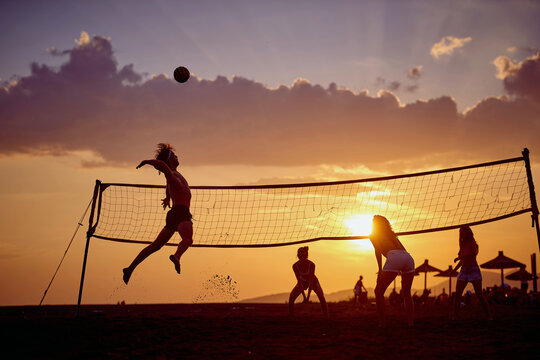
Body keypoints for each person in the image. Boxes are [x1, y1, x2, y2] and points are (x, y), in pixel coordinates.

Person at [122, 143, 193, 284]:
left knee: (155, 246)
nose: (177, 157)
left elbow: (168, 182)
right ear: (169, 161)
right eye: (174, 156)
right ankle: (177, 256)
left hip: (174, 214)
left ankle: (129, 268)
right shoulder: (171, 173)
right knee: (187, 240)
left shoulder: (174, 176)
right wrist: (148, 162)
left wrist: (167, 197)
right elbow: (163, 167)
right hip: (181, 212)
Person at [369, 215, 415, 327]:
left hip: (394, 256)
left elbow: (378, 251)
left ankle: (382, 323)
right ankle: (410, 322)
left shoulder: (373, 235)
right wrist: (400, 265)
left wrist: (380, 271)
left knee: (378, 292)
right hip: (408, 258)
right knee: (407, 293)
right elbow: (404, 250)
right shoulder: (392, 235)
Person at [452, 226, 492, 320]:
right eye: (460, 232)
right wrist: (454, 269)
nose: (461, 233)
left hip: (473, 270)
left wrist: (459, 257)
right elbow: (462, 261)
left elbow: (472, 253)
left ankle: (489, 316)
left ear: (468, 232)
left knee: (479, 295)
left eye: (463, 231)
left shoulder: (473, 242)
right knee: (457, 295)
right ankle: (454, 317)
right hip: (464, 270)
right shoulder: (461, 244)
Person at [288, 246, 328, 316]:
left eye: (302, 252)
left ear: (306, 254)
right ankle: (291, 316)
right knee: (291, 297)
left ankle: (326, 316)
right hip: (302, 282)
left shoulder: (311, 264)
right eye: (299, 252)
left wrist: (308, 297)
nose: (300, 253)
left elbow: (311, 281)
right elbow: (299, 282)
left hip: (313, 281)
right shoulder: (295, 266)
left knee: (321, 296)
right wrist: (304, 297)